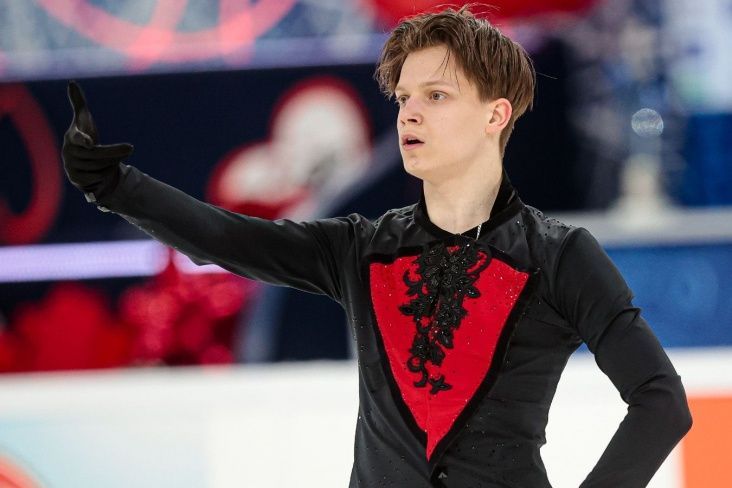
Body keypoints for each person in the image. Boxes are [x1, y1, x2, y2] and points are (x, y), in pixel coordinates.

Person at [61, 6, 692, 487]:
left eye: (435, 96)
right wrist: (116, 186)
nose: (409, 114)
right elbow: (225, 238)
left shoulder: (558, 256)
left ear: (495, 116)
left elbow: (661, 402)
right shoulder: (363, 249)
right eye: (404, 99)